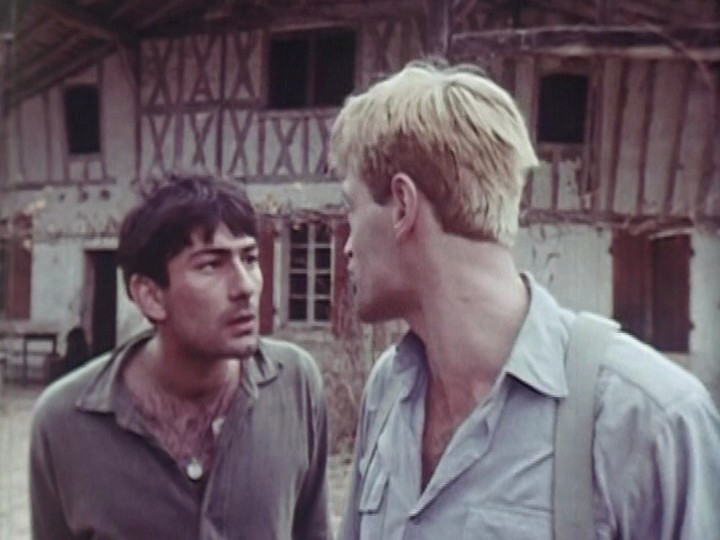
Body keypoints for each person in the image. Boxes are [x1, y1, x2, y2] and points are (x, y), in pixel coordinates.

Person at [329, 60, 720, 539]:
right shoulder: (388, 389)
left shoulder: (652, 420)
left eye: (350, 208)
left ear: (403, 206)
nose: (346, 245)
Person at [30, 175, 330, 540]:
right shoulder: (64, 422)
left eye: (250, 259)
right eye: (210, 265)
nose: (245, 287)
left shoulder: (295, 385)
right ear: (151, 296)